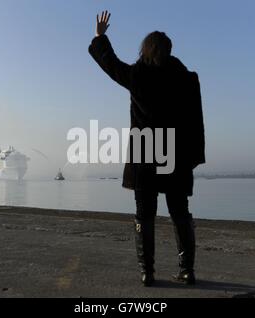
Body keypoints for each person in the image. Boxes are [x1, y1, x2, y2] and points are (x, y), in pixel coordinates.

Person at [89, 11, 205, 287]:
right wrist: (194, 156)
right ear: (169, 51)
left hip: (145, 153)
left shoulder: (137, 76)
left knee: (144, 214)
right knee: (180, 212)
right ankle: (187, 271)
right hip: (176, 155)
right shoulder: (187, 80)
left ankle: (147, 272)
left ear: (146, 49)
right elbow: (196, 121)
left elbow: (110, 64)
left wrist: (100, 37)